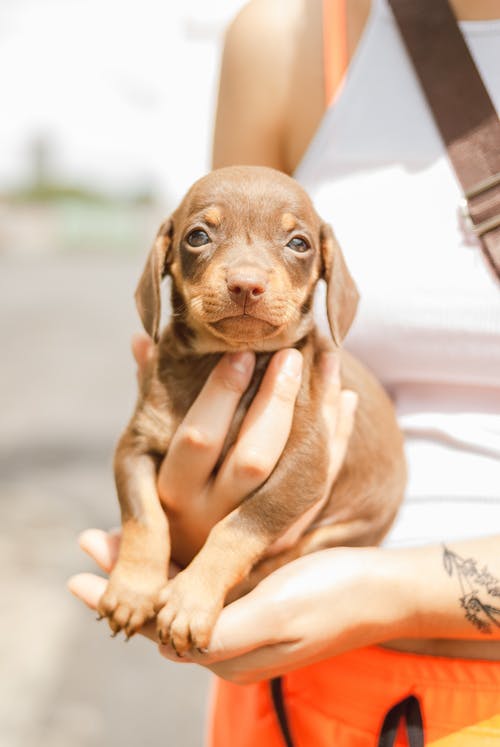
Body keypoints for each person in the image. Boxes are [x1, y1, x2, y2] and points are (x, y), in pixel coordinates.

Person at [69, 0, 500, 743]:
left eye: (294, 248)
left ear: (330, 272)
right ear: (166, 261)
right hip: (296, 687)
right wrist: (174, 527)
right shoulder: (285, 37)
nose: (245, 273)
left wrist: (380, 588)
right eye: (204, 241)